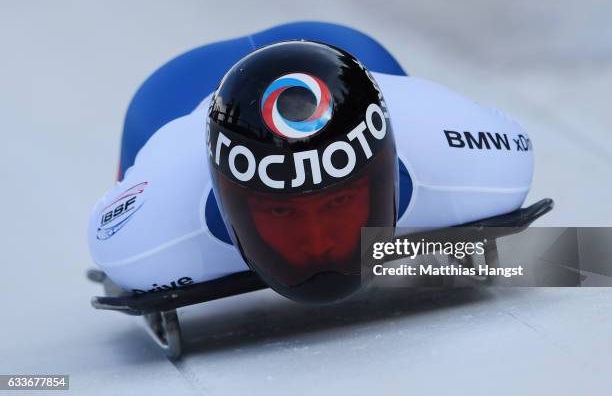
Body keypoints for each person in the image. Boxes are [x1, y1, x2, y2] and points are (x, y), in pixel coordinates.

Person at [88, 22, 533, 303]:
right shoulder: (142, 242)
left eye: (340, 203)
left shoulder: (477, 161)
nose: (317, 244)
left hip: (346, 55)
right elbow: (113, 219)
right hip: (175, 101)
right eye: (282, 210)